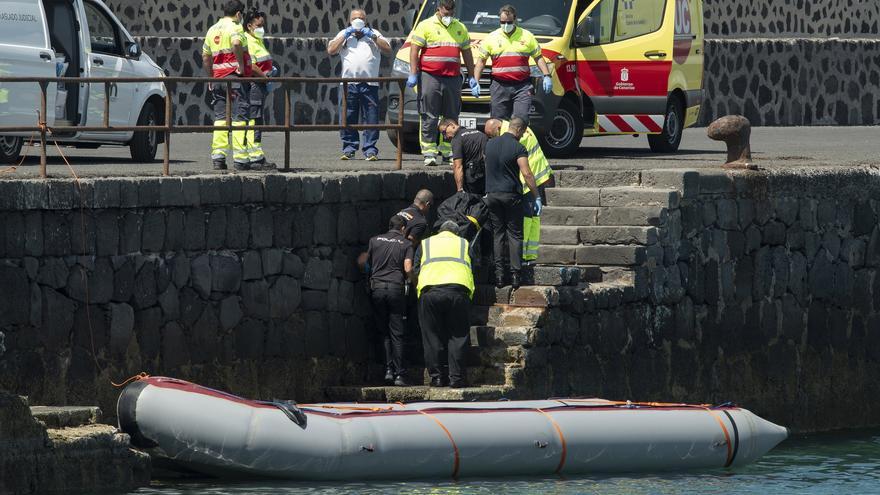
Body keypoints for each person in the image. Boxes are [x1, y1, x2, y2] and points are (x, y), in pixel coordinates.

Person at [408, 0, 479, 166]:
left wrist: (472, 76)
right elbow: (414, 50)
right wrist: (413, 73)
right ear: (439, 9)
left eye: (451, 12)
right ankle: (429, 152)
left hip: (452, 77)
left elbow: (466, 52)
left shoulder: (459, 27)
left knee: (451, 115)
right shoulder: (426, 25)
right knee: (429, 114)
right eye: (445, 12)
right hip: (430, 76)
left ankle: (448, 151)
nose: (448, 15)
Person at [415, 220, 475, 388]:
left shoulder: (425, 243)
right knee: (457, 335)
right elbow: (473, 266)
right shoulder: (464, 243)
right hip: (458, 291)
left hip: (430, 291)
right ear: (456, 233)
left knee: (431, 336)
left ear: (440, 231)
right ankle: (456, 379)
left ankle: (437, 378)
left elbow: (415, 268)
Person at [485, 118, 553, 264]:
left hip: (528, 180)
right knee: (533, 218)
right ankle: (529, 256)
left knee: (526, 219)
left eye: (491, 135)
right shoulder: (514, 129)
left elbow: (521, 168)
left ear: (498, 129)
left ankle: (521, 256)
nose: (490, 139)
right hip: (534, 177)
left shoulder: (512, 137)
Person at [328, 9, 392, 161]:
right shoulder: (344, 34)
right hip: (348, 84)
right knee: (347, 117)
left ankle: (370, 150)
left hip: (370, 84)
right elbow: (331, 50)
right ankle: (349, 148)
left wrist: (372, 36)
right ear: (350, 21)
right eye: (355, 18)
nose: (358, 20)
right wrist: (346, 34)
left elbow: (388, 49)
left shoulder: (373, 33)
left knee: (371, 117)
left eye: (361, 18)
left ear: (366, 20)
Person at [484, 117, 540, 289]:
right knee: (515, 235)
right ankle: (516, 275)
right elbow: (527, 173)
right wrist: (536, 195)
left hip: (492, 195)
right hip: (511, 195)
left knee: (498, 234)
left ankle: (500, 276)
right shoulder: (518, 147)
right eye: (523, 132)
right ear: (520, 130)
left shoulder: (490, 144)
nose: (523, 135)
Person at [473, 5, 553, 122]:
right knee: (497, 122)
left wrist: (547, 75)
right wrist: (476, 81)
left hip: (522, 86)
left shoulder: (527, 36)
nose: (505, 25)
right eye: (502, 22)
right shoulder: (491, 38)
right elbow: (481, 62)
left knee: (520, 120)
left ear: (515, 19)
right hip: (499, 86)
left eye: (509, 22)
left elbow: (538, 57)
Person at [202, 0, 253, 171]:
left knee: (220, 119)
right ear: (238, 14)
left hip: (218, 80)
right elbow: (237, 44)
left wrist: (211, 77)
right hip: (234, 79)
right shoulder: (236, 27)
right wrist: (239, 64)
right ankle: (240, 160)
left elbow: (205, 57)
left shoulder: (212, 29)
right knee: (240, 118)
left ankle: (218, 158)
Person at [366, 215, 414, 386]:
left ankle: (387, 370)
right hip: (395, 289)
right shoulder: (406, 243)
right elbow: (407, 268)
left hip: (377, 289)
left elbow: (366, 262)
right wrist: (411, 280)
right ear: (402, 229)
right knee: (397, 332)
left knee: (383, 332)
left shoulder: (374, 240)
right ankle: (400, 374)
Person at [242, 8, 276, 170]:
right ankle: (254, 157)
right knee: (254, 119)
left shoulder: (257, 40)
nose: (262, 28)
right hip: (255, 85)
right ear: (249, 25)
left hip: (260, 84)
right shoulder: (248, 40)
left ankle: (256, 156)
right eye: (259, 25)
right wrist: (264, 77)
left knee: (257, 118)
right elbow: (252, 65)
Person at [439, 118, 487, 195]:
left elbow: (458, 166)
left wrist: (460, 191)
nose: (445, 137)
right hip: (486, 178)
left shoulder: (457, 139)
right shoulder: (480, 134)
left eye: (444, 132)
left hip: (472, 179)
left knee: (471, 204)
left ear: (452, 126)